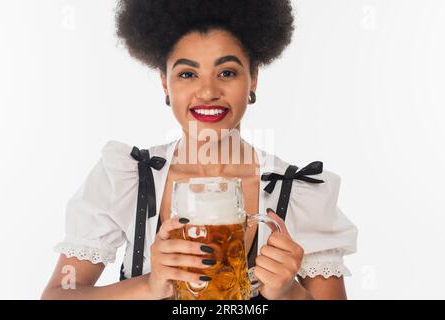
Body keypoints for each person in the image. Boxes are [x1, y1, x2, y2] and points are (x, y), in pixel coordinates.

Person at [41, 0, 357, 300]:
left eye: (227, 72)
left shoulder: (301, 191)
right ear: (165, 83)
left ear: (254, 79)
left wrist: (290, 292)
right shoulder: (127, 177)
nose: (207, 91)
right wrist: (149, 286)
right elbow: (58, 294)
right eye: (187, 74)